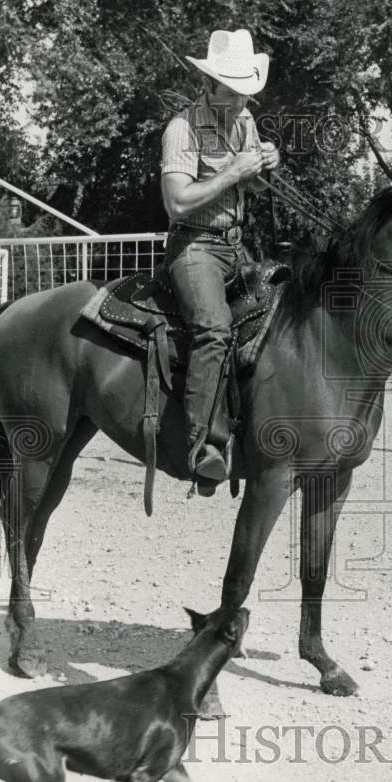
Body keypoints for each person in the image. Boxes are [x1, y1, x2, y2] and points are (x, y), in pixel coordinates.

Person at [160, 28, 280, 493]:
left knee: (276, 312)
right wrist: (233, 171)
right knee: (213, 329)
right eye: (230, 95)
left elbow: (249, 185)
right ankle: (202, 447)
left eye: (244, 95)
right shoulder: (182, 129)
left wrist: (267, 163)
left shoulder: (245, 122)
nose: (238, 105)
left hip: (234, 244)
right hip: (194, 247)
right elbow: (177, 202)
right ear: (208, 86)